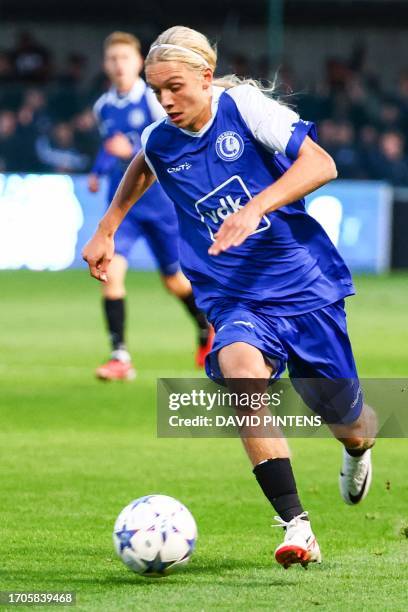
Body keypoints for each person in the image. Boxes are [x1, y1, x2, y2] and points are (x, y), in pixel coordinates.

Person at [83, 26, 377, 568]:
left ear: (204, 74)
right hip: (233, 295)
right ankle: (297, 526)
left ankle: (358, 448)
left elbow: (321, 164)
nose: (166, 101)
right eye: (156, 91)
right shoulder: (161, 137)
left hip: (302, 286)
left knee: (347, 419)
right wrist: (107, 226)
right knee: (244, 379)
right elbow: (144, 162)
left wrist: (255, 207)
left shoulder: (244, 108)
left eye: (176, 86)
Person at [88, 31, 213, 380]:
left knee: (174, 281)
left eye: (124, 59)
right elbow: (108, 144)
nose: (118, 65)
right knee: (111, 276)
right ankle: (120, 356)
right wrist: (98, 171)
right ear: (105, 64)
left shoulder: (155, 100)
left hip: (159, 205)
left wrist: (129, 154)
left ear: (138, 62)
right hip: (124, 207)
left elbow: (159, 148)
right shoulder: (103, 106)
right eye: (112, 59)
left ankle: (206, 327)